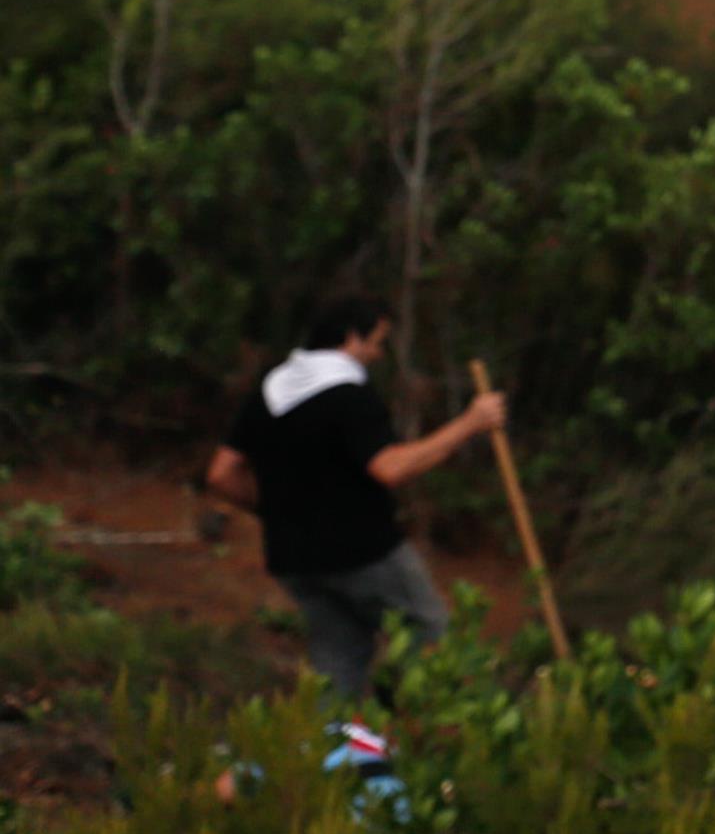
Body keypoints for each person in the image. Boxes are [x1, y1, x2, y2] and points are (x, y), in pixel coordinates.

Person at [201, 296, 505, 697]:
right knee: (432, 638)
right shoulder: (348, 395)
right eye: (377, 342)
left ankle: (334, 751)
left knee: (338, 659)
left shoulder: (270, 392)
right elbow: (390, 467)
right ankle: (410, 733)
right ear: (350, 338)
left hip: (294, 557)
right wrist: (470, 423)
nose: (379, 354)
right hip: (363, 552)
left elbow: (221, 474)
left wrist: (276, 510)